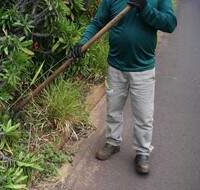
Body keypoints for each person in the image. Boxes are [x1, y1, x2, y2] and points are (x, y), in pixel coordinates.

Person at [70, 0, 177, 174]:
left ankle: (142, 152)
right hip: (116, 65)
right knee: (113, 108)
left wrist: (145, 8)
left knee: (144, 115)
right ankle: (113, 142)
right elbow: (98, 22)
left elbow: (170, 24)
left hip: (143, 68)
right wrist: (83, 43)